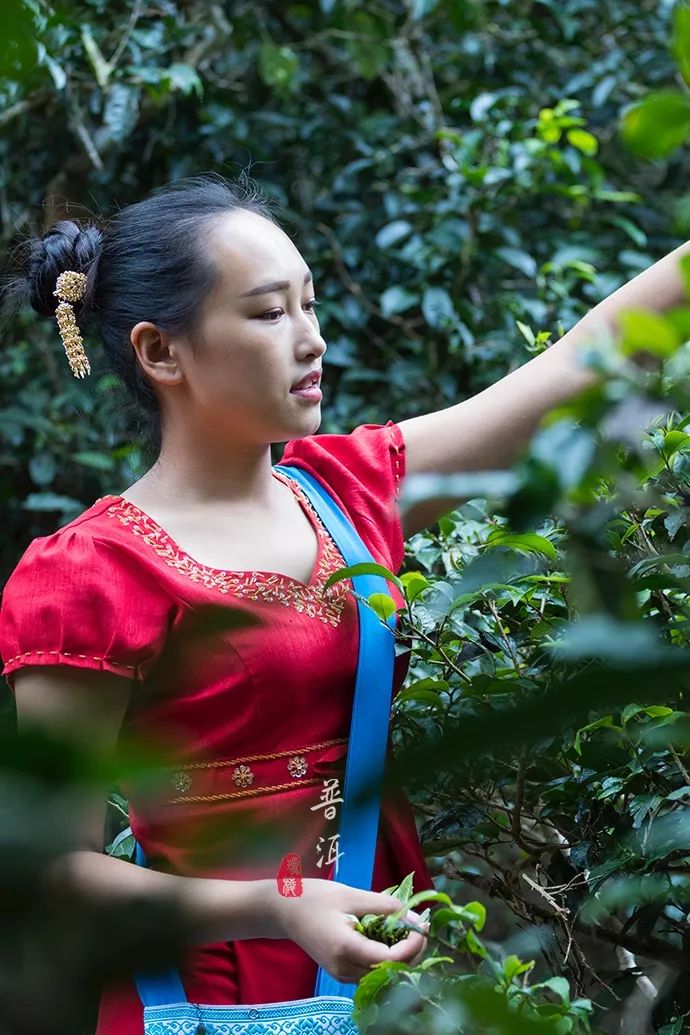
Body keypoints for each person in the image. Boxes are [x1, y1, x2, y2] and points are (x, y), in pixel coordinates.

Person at [0, 172, 688, 1034]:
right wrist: (279, 904)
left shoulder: (344, 493)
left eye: (311, 304)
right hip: (197, 997)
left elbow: (568, 374)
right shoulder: (87, 574)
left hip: (393, 983)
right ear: (160, 351)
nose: (311, 339)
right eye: (268, 313)